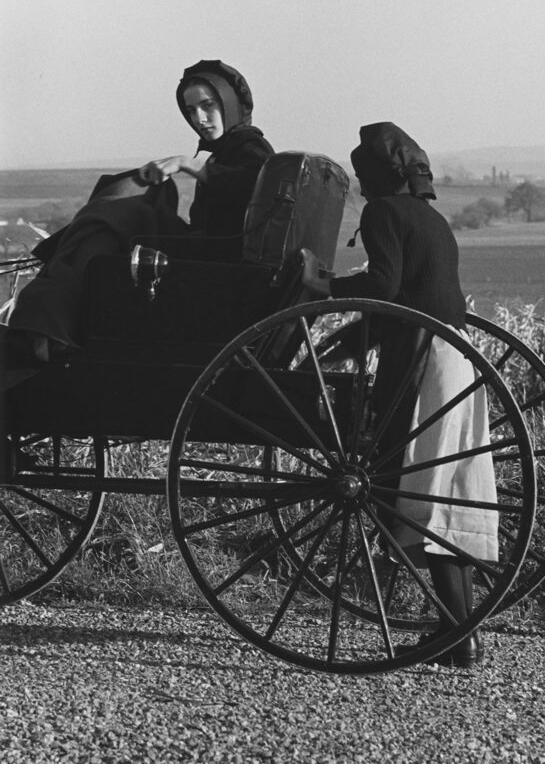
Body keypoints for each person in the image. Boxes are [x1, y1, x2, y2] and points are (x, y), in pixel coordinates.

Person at [302, 121, 498, 667]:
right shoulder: (431, 218)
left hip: (422, 362)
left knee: (420, 489)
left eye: (364, 174)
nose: (362, 187)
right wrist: (346, 342)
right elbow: (413, 296)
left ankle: (459, 635)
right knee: (443, 487)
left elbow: (385, 290)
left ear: (378, 177)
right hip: (456, 358)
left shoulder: (383, 214)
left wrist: (324, 285)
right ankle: (459, 631)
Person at [4, 60, 274, 365]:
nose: (199, 118)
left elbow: (257, 182)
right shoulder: (227, 150)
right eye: (190, 110)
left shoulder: (251, 146)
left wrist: (188, 163)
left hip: (217, 263)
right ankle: (51, 320)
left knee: (121, 216)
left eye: (208, 105)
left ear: (229, 103)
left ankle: (48, 326)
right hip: (207, 256)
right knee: (113, 216)